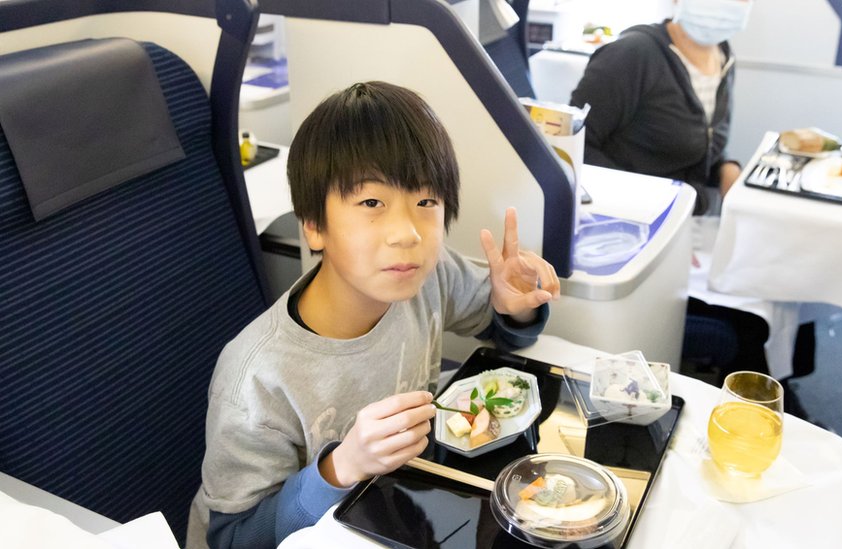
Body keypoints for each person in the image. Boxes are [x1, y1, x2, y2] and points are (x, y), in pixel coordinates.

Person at [185, 81, 560, 548]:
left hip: (394, 514)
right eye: (371, 203)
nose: (407, 234)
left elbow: (504, 332)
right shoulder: (257, 378)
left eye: (426, 203)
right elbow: (232, 539)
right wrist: (340, 468)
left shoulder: (428, 275)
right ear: (314, 226)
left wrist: (512, 309)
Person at [570, 0, 753, 214]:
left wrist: (725, 167)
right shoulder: (632, 54)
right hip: (629, 217)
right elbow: (573, 143)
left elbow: (701, 141)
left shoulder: (725, 59)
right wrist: (650, 199)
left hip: (688, 216)